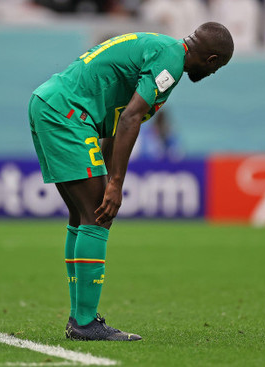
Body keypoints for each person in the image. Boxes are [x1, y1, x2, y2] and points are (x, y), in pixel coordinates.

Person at [28, 22, 233, 341]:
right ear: (211, 59)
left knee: (82, 216)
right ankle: (84, 323)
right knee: (99, 214)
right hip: (67, 114)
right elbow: (131, 118)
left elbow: (113, 125)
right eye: (218, 67)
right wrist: (115, 184)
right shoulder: (171, 62)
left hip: (52, 104)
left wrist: (109, 176)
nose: (213, 73)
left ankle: (80, 318)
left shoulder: (160, 49)